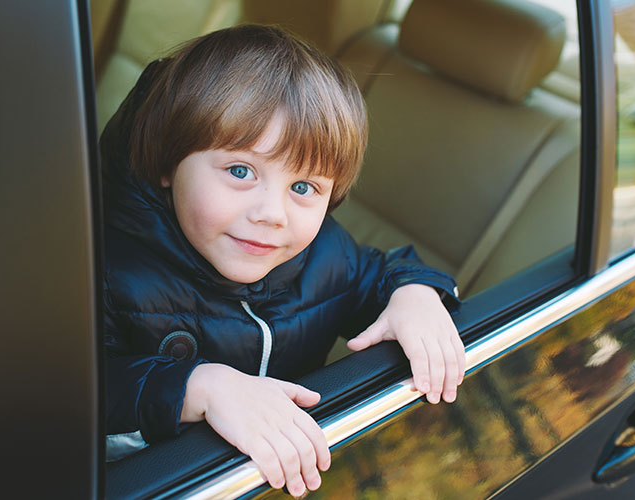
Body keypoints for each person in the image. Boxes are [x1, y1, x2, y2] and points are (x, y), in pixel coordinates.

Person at [101, 24, 464, 497]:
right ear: (169, 164)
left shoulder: (323, 253)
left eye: (302, 188)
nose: (272, 214)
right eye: (240, 171)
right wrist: (198, 387)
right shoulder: (106, 271)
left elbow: (380, 272)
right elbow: (63, 398)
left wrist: (414, 293)